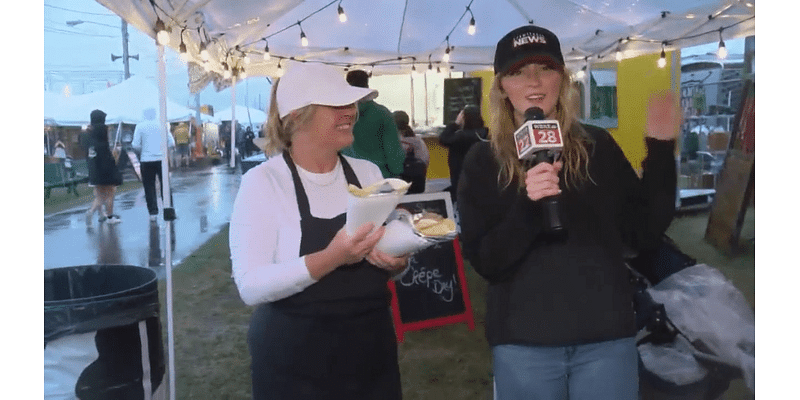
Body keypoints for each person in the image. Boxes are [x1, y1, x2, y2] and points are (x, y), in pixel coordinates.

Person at [457, 25, 680, 400]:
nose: (534, 81)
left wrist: (660, 151)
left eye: (545, 68)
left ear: (563, 77)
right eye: (517, 71)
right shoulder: (482, 160)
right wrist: (529, 206)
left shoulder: (598, 146)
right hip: (524, 343)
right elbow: (487, 261)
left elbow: (642, 234)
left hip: (605, 339)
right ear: (501, 87)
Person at [229, 62, 410, 399]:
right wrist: (333, 257)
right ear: (297, 117)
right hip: (295, 363)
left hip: (372, 354)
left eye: (351, 104)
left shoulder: (368, 173)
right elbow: (250, 286)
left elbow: (388, 265)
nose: (351, 112)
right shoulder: (264, 183)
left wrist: (398, 261)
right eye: (336, 105)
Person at [340, 69, 406, 179]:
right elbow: (392, 148)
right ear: (367, 84)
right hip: (380, 175)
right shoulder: (382, 114)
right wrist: (397, 173)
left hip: (349, 176)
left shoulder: (340, 115)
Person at [132, 107, 175, 222]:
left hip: (146, 160)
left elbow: (135, 145)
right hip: (162, 160)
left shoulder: (139, 126)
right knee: (165, 185)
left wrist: (142, 151)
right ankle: (168, 210)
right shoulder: (162, 125)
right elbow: (171, 143)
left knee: (149, 186)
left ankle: (153, 213)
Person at [438, 105, 488, 204]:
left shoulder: (461, 136)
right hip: (480, 176)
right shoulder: (485, 133)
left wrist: (456, 123)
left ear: (464, 118)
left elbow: (443, 139)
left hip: (460, 175)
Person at [84, 109, 123, 225]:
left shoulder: (88, 132)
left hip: (94, 167)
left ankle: (91, 212)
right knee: (110, 193)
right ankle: (110, 217)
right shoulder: (103, 130)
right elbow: (106, 151)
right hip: (106, 167)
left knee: (100, 195)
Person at [393, 110, 429, 194]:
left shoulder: (392, 141)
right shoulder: (418, 140)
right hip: (417, 183)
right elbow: (425, 160)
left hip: (398, 185)